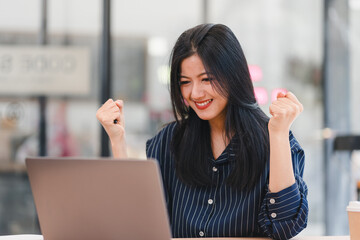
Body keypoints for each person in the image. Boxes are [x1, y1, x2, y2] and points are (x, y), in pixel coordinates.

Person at [96, 23, 308, 240]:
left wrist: (279, 135)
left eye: (206, 79)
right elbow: (138, 224)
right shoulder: (168, 141)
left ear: (233, 76)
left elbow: (284, 227)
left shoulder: (277, 141)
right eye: (185, 82)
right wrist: (118, 141)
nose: (195, 93)